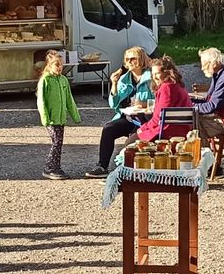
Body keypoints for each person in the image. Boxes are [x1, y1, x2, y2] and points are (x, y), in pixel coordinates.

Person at [85, 47, 153, 179]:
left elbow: (158, 101)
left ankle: (133, 171)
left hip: (146, 118)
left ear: (141, 60)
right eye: (127, 59)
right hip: (128, 116)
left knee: (134, 138)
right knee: (108, 128)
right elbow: (114, 105)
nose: (129, 62)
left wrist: (145, 104)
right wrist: (114, 84)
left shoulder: (151, 78)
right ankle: (102, 166)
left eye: (133, 58)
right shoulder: (124, 79)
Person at [36, 50, 80, 181]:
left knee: (59, 143)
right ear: (49, 65)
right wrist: (45, 118)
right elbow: (41, 101)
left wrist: (75, 115)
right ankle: (49, 167)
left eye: (61, 65)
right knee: (56, 142)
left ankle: (56, 166)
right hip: (51, 118)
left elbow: (69, 99)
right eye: (56, 64)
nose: (59, 67)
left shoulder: (63, 80)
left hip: (61, 118)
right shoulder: (45, 80)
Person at [132, 55, 192, 142]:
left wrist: (143, 128)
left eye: (157, 73)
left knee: (130, 143)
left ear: (167, 72)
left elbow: (159, 118)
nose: (154, 77)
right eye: (152, 74)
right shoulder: (177, 84)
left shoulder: (167, 88)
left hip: (166, 132)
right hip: (181, 130)